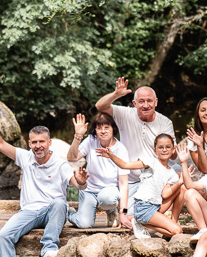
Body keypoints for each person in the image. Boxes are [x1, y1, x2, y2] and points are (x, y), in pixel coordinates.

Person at [0, 102, 89, 257]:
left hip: (52, 213)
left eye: (41, 142)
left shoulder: (60, 164)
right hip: (29, 213)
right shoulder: (25, 157)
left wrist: (81, 181)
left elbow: (78, 184)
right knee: (3, 236)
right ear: (30, 144)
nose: (38, 146)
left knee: (60, 203)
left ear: (49, 143)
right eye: (34, 142)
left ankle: (49, 249)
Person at [95, 78, 184, 221]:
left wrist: (172, 148)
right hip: (131, 178)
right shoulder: (125, 114)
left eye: (149, 101)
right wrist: (116, 94)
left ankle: (167, 215)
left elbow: (172, 157)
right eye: (141, 101)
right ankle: (121, 211)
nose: (146, 105)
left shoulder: (165, 122)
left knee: (178, 171)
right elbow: (100, 106)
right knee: (133, 215)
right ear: (134, 103)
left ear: (156, 102)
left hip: (153, 177)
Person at [97, 133, 183, 238]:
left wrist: (179, 182)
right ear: (155, 150)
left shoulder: (172, 173)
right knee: (177, 231)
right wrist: (112, 156)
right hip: (144, 207)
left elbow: (165, 194)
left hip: (156, 206)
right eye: (160, 147)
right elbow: (125, 165)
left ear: (173, 149)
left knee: (181, 188)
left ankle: (169, 221)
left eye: (168, 147)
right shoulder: (150, 162)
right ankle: (142, 223)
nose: (164, 150)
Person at [66, 113, 132, 229]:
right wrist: (78, 136)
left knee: (108, 199)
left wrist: (123, 213)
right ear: (95, 130)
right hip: (89, 190)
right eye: (99, 128)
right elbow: (72, 158)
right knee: (84, 224)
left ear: (113, 129)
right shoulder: (91, 141)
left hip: (109, 190)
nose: (103, 131)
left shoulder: (121, 149)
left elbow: (123, 184)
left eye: (107, 127)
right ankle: (68, 212)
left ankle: (111, 212)